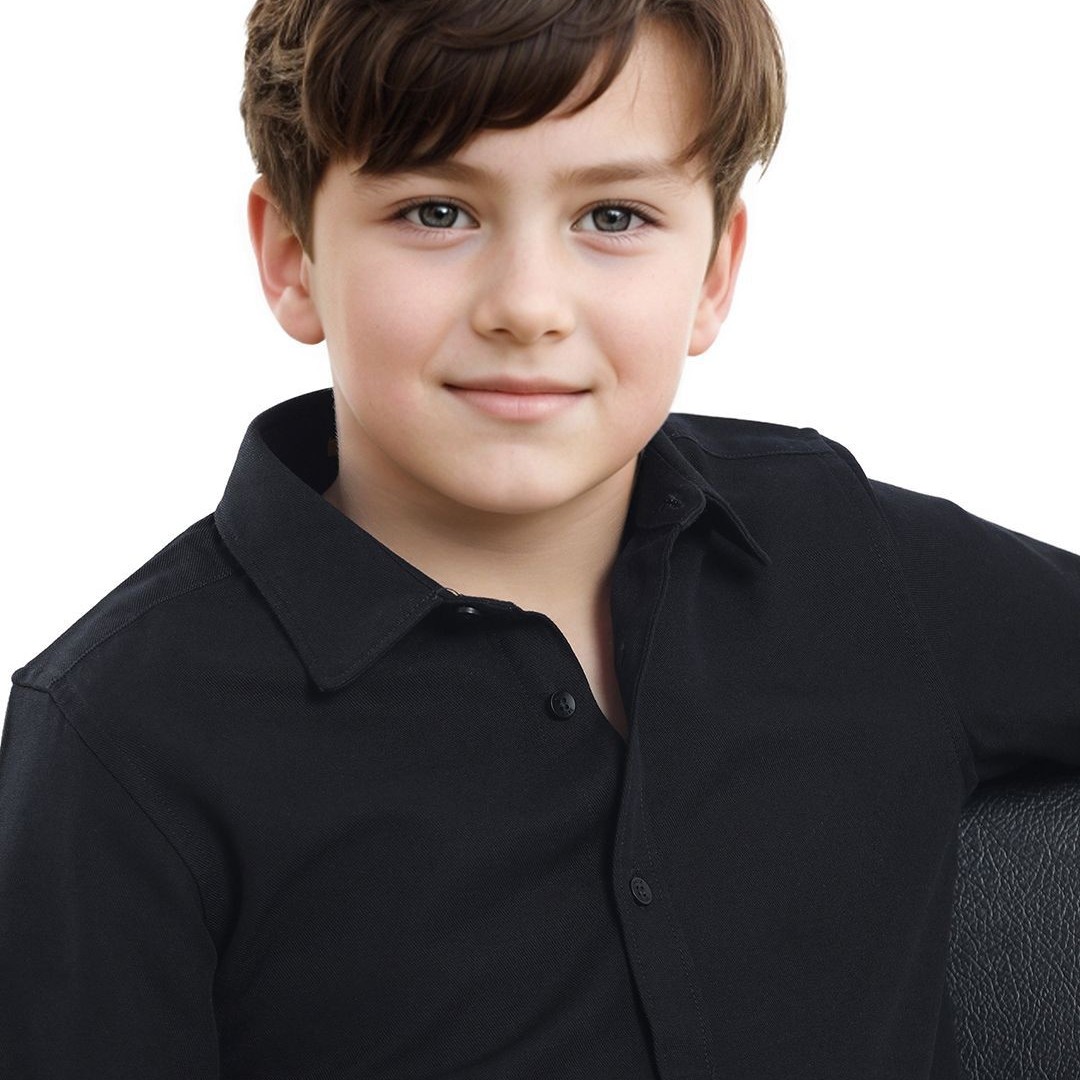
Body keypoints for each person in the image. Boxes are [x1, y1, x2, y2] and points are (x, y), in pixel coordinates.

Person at [1, 0, 1077, 1077]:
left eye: (612, 217)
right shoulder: (120, 736)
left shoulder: (848, 553)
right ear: (292, 255)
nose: (527, 306)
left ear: (714, 272)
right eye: (435, 212)